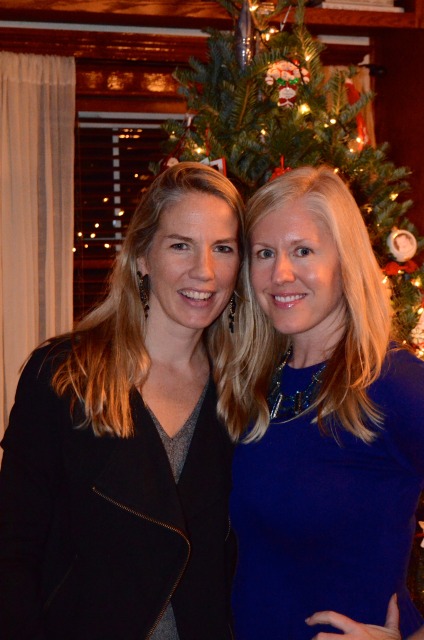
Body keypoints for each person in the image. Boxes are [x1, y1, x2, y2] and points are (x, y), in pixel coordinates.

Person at [0, 161, 250, 640]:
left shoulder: (240, 391)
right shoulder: (64, 376)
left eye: (223, 248)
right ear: (141, 257)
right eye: (181, 245)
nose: (204, 271)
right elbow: (14, 549)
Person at [230, 165, 424, 640]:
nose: (280, 274)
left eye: (303, 250)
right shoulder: (255, 382)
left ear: (345, 261)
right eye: (265, 253)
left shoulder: (394, 382)